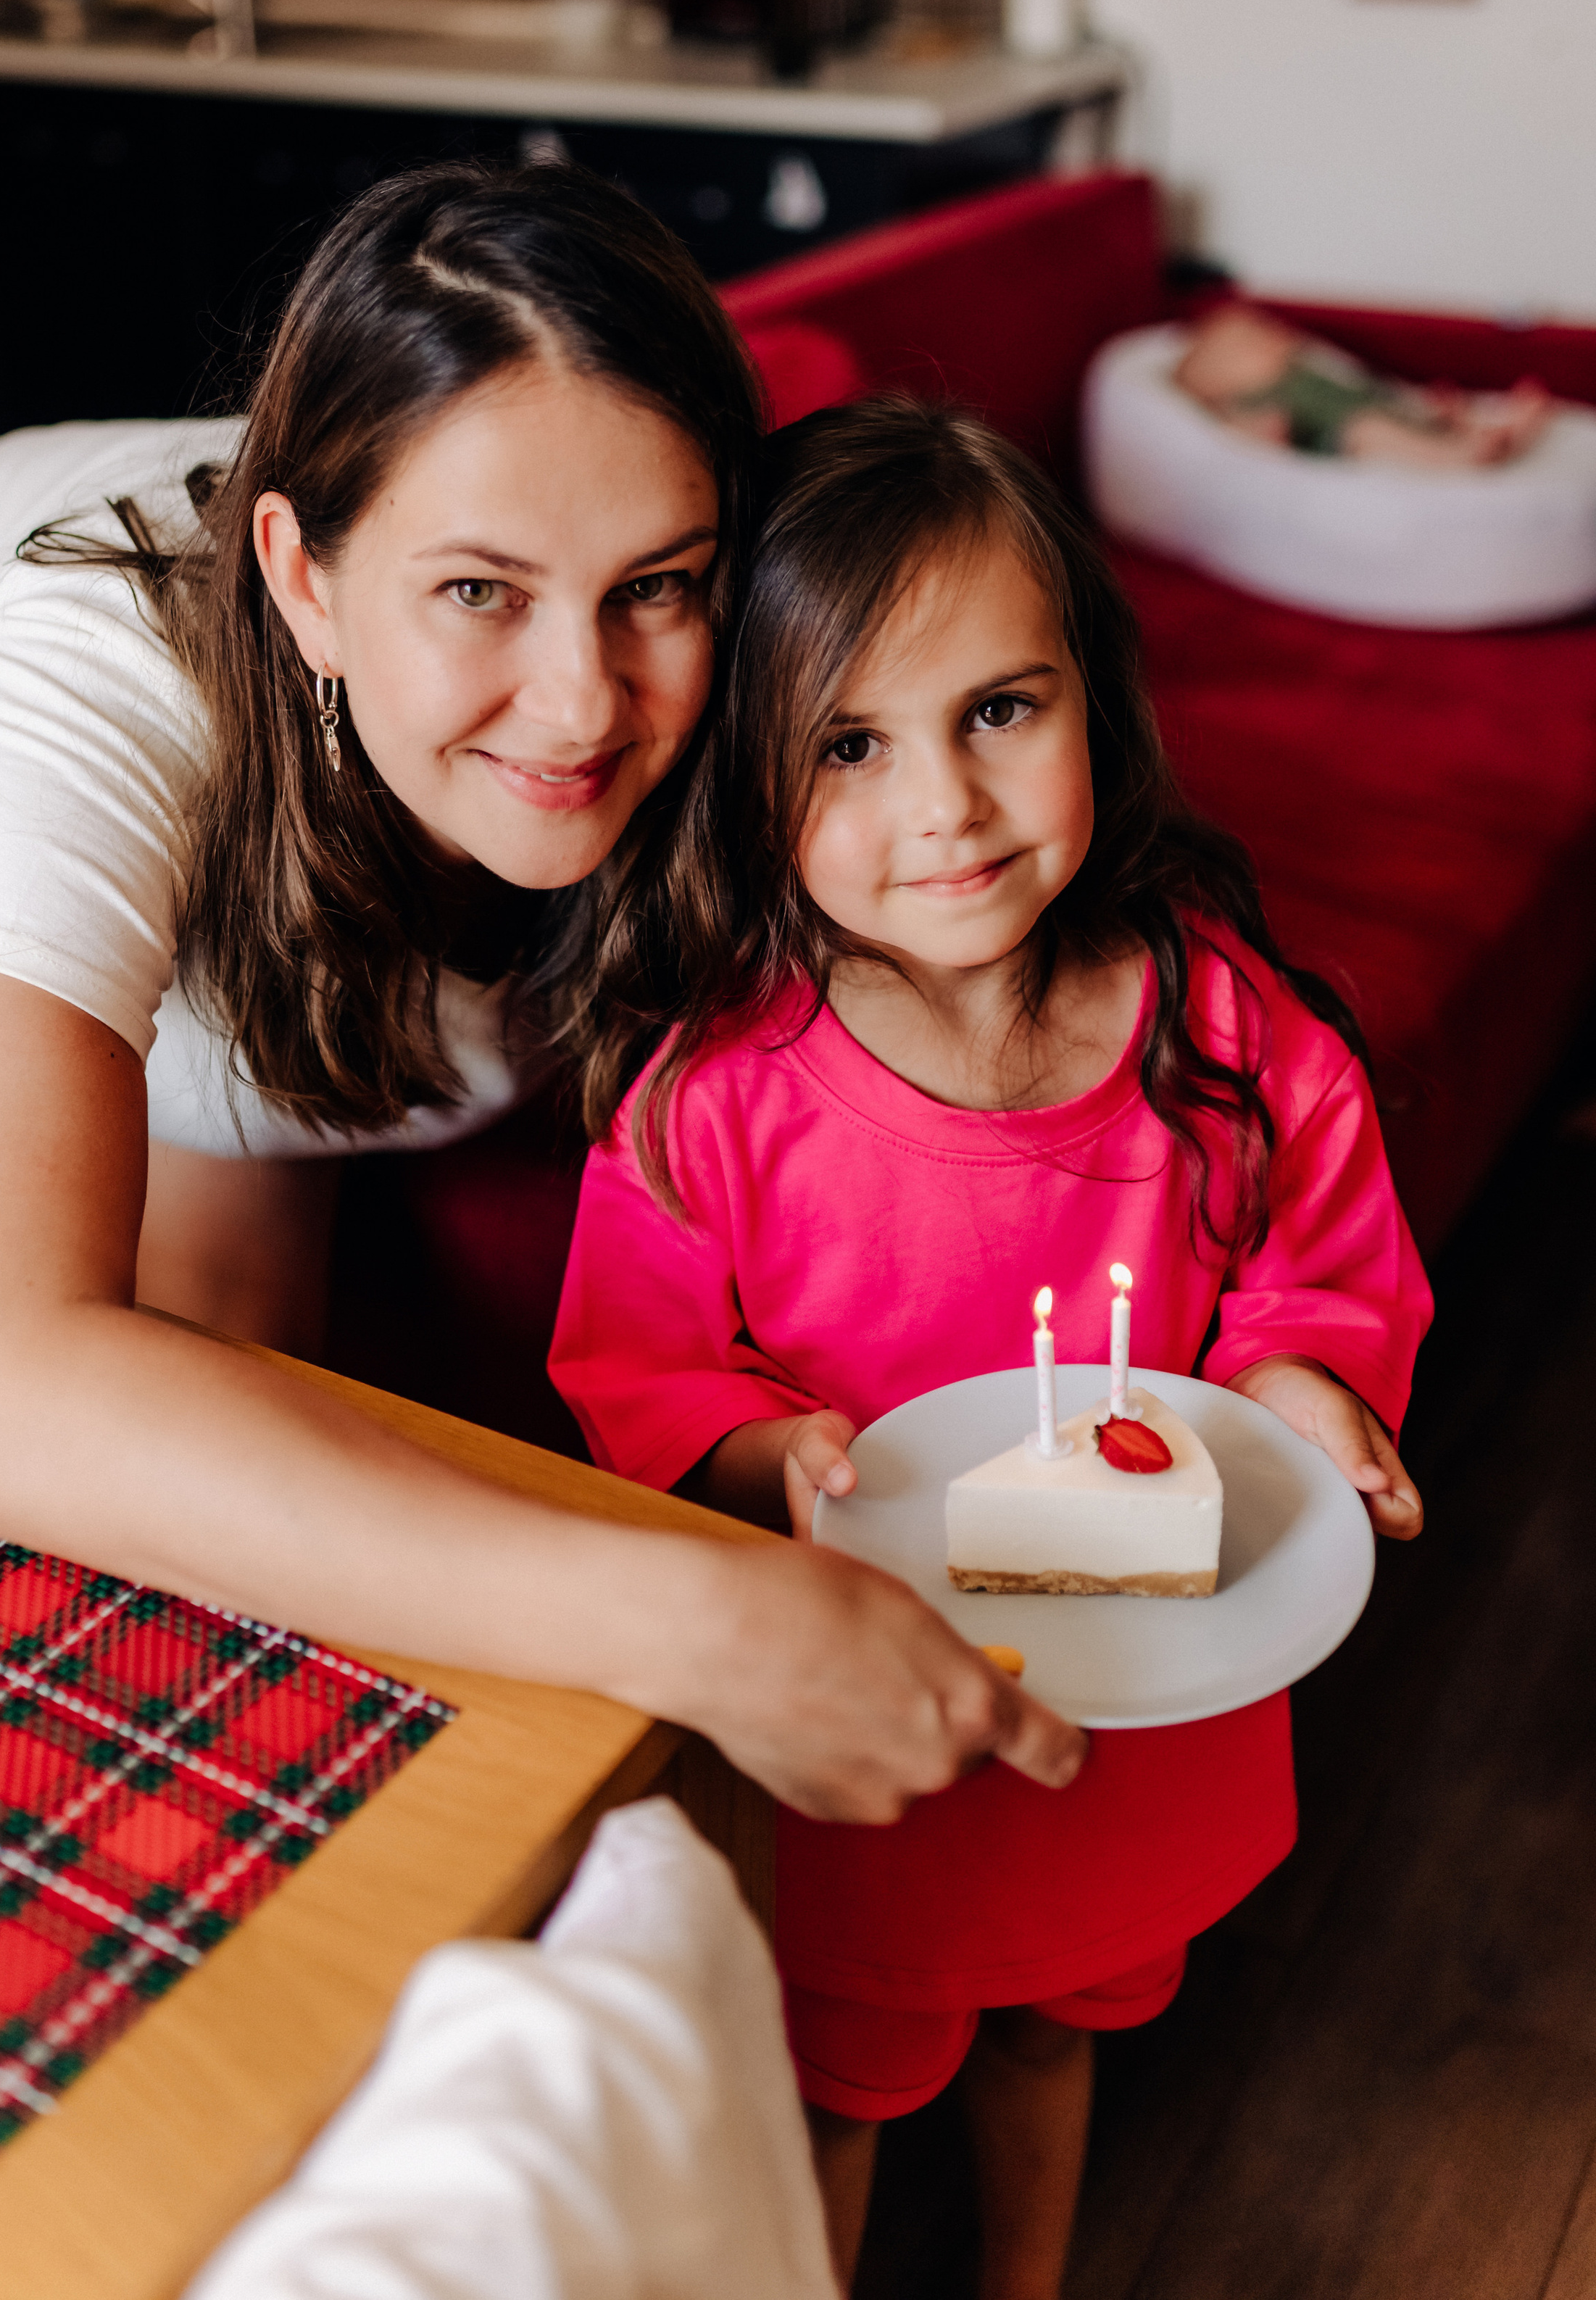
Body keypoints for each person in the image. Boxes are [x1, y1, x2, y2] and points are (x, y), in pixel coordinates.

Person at [0, 166, 1084, 1828]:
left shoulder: (721, 622)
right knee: (134, 1510)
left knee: (260, 1442)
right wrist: (698, 1613)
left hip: (265, 920)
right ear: (301, 577)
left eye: (653, 582)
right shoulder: (84, 661)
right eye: (478, 591)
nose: (583, 701)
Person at [549, 396, 1429, 2296]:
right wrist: (771, 1455)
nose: (942, 803)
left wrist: (1300, 1383)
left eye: (1000, 711)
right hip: (879, 1746)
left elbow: (1318, 1257)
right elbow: (639, 1368)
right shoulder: (713, 1096)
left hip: (1142, 1712)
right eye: (851, 744)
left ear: (1096, 699)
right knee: (850, 2077)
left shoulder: (1223, 1025)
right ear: (746, 777)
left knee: (1062, 2019)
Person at [1173, 299, 1551, 467]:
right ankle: (1463, 454)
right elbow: (1258, 434)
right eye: (1250, 342)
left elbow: (1366, 385)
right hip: (1340, 435)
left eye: (1266, 331)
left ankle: (1497, 429)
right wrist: (1266, 429)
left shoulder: (1306, 368)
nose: (1274, 339)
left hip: (1382, 406)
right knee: (1369, 431)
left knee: (1429, 410)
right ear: (1217, 380)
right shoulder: (1249, 399)